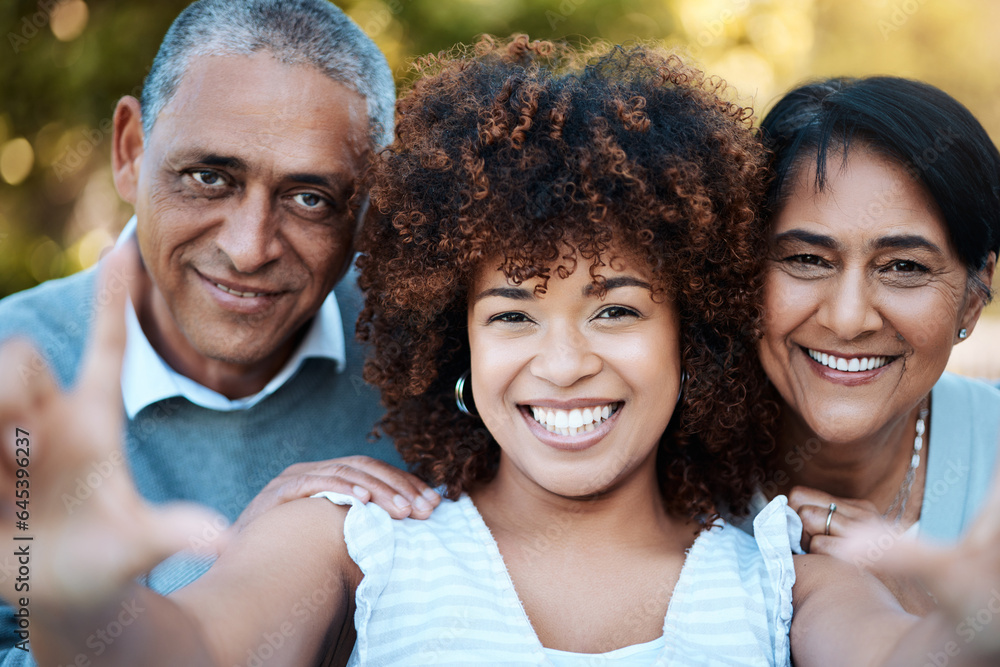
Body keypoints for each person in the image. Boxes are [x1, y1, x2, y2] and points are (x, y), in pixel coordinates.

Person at [10, 36, 1000, 667]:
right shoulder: (355, 538)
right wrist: (74, 599)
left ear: (692, 331)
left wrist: (973, 623)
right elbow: (190, 649)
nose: (561, 364)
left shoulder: (784, 567)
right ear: (454, 337)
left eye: (614, 311)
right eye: (513, 314)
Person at [0, 1, 440, 662]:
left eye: (310, 198)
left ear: (368, 212)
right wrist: (233, 569)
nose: (248, 248)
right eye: (210, 177)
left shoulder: (444, 365)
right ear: (130, 151)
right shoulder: (14, 379)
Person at [754, 76, 1000, 614]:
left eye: (904, 267)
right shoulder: (652, 460)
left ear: (973, 296)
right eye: (807, 259)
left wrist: (921, 612)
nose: (847, 320)